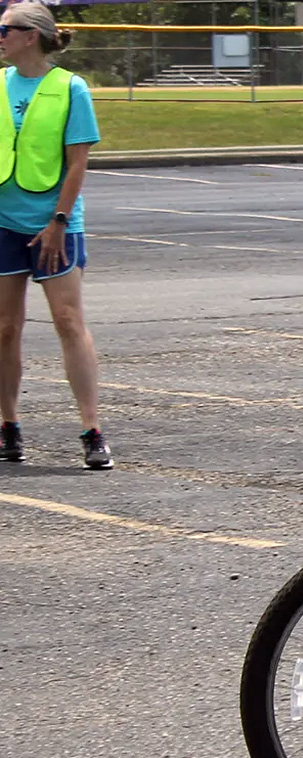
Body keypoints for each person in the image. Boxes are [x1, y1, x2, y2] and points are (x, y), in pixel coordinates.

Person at [0, 0, 111, 469]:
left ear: (32, 35)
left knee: (68, 320)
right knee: (5, 329)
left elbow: (78, 162)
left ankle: (92, 429)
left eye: (6, 28)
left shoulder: (71, 88)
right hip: (3, 220)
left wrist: (58, 221)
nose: (0, 35)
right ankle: (9, 425)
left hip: (55, 221)